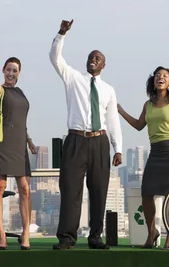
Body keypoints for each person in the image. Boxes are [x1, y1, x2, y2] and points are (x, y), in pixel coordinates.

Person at [49, 19, 123, 250]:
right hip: (75, 140)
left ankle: (95, 237)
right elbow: (55, 58)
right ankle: (67, 238)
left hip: (99, 142)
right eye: (91, 57)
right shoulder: (73, 78)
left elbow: (113, 120)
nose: (93, 60)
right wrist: (61, 34)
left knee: (99, 190)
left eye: (98, 58)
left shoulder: (108, 89)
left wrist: (118, 148)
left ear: (104, 65)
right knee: (71, 189)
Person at [117, 66, 169, 250]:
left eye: (165, 76)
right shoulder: (148, 104)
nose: (161, 78)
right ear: (153, 80)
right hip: (156, 151)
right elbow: (138, 125)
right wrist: (120, 110)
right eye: (158, 75)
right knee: (146, 193)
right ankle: (152, 233)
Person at [0, 53, 33, 250]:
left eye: (15, 71)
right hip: (1, 145)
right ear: (3, 71)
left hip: (20, 145)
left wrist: (29, 140)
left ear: (19, 74)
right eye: (8, 70)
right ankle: (2, 235)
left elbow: (21, 120)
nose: (11, 73)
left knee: (25, 189)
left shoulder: (21, 92)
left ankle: (26, 233)